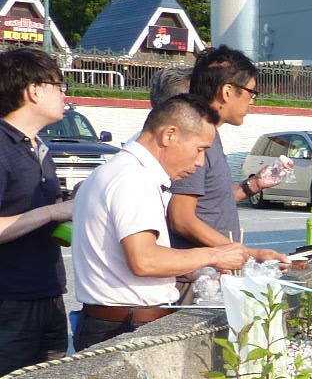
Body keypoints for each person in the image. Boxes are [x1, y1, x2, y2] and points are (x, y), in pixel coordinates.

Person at [72, 95, 247, 350]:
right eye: (199, 150)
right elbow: (145, 260)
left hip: (114, 321)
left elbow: (125, 258)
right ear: (169, 135)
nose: (199, 163)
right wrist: (213, 256)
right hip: (125, 327)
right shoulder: (133, 178)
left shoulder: (121, 171)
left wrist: (193, 267)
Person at [166, 47, 285, 264]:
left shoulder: (210, 135)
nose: (252, 101)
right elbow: (181, 219)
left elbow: (209, 201)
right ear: (228, 91)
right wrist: (249, 254)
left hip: (213, 270)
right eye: (251, 92)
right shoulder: (195, 141)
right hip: (198, 277)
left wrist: (254, 185)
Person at [0, 47, 75, 376]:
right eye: (59, 86)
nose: (64, 95)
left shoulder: (39, 147)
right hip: (10, 302)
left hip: (48, 291)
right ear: (33, 90)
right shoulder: (2, 146)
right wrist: (51, 214)